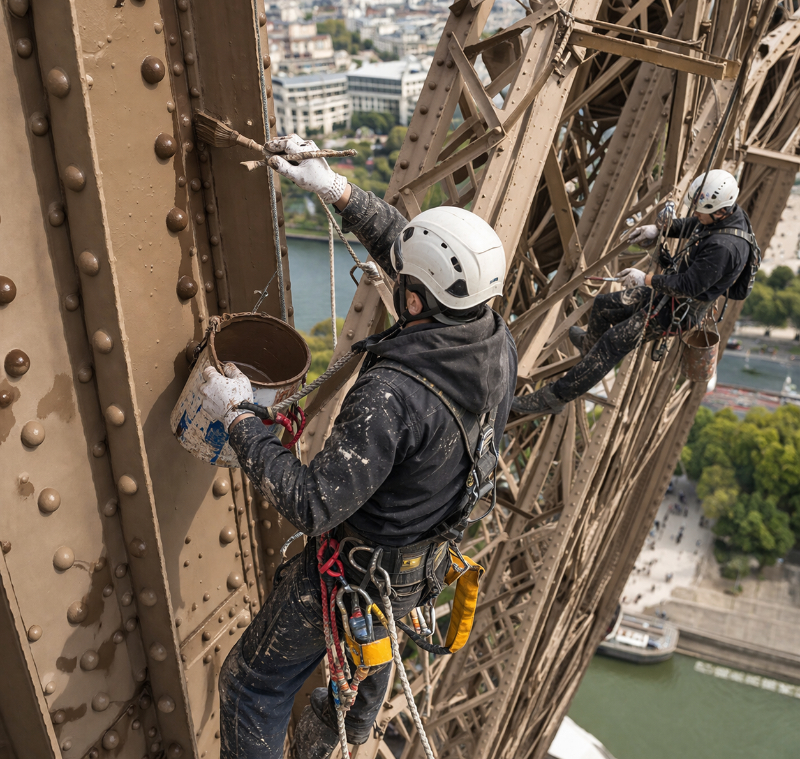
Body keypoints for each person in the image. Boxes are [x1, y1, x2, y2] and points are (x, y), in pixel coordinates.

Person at [200, 135, 518, 759]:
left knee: (250, 685)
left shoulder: (393, 395)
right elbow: (419, 259)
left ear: (415, 298)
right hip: (411, 575)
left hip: (352, 573)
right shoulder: (491, 339)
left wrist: (238, 419)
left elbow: (315, 506)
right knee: (349, 693)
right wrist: (334, 188)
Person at [512, 169, 754, 417]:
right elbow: (698, 225)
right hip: (668, 294)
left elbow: (687, 286)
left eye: (700, 211)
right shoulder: (726, 216)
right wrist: (660, 230)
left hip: (676, 312)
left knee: (612, 344)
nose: (695, 213)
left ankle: (553, 398)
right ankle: (588, 349)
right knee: (604, 305)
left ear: (721, 210)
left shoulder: (725, 248)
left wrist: (645, 279)